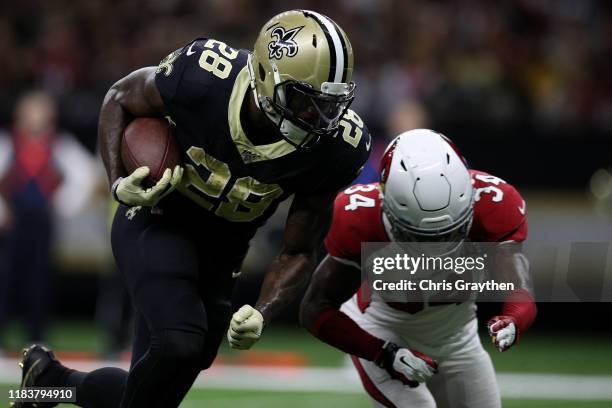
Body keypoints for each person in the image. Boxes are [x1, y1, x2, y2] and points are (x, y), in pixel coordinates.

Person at [13, 9, 370, 408]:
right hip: (159, 218)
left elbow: (299, 249)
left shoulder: (336, 147)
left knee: (159, 389)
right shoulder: (205, 76)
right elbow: (118, 98)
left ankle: (48, 380)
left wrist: (264, 311)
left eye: (329, 105)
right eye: (305, 102)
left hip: (222, 254)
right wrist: (118, 181)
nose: (319, 118)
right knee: (179, 342)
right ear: (267, 79)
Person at [300, 129, 536, 408]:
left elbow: (519, 293)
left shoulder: (495, 203)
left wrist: (513, 318)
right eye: (419, 236)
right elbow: (315, 309)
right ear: (387, 207)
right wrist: (383, 353)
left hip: (458, 342)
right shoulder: (359, 218)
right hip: (383, 331)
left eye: (450, 232)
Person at [0, 90, 95, 346]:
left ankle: (36, 337)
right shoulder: (9, 142)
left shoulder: (59, 144)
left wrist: (63, 203)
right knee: (7, 278)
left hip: (42, 220)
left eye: (41, 111)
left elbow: (85, 175)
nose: (35, 117)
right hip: (14, 221)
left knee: (39, 279)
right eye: (31, 111)